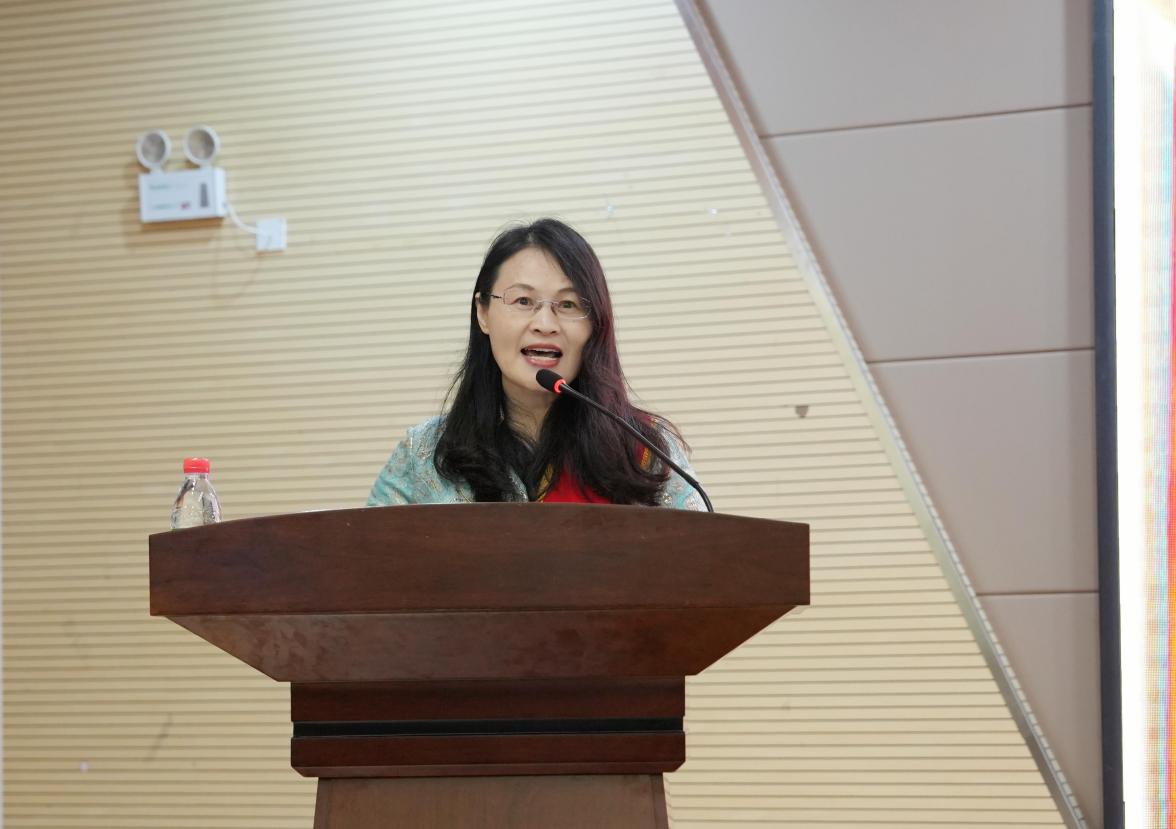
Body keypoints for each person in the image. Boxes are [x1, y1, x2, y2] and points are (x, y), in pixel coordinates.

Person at [367, 218, 704, 510]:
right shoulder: (424, 454)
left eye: (568, 304)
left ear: (595, 324)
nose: (545, 323)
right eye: (523, 300)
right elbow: (368, 558)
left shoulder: (643, 449)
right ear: (483, 313)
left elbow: (700, 558)